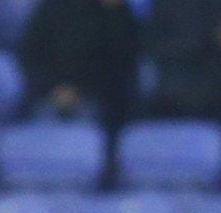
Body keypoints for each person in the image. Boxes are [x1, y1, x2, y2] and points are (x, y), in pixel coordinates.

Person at [17, 0, 140, 128]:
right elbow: (29, 56)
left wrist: (114, 13)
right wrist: (53, 88)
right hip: (50, 94)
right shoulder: (52, 7)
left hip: (99, 98)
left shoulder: (118, 11)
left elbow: (125, 61)